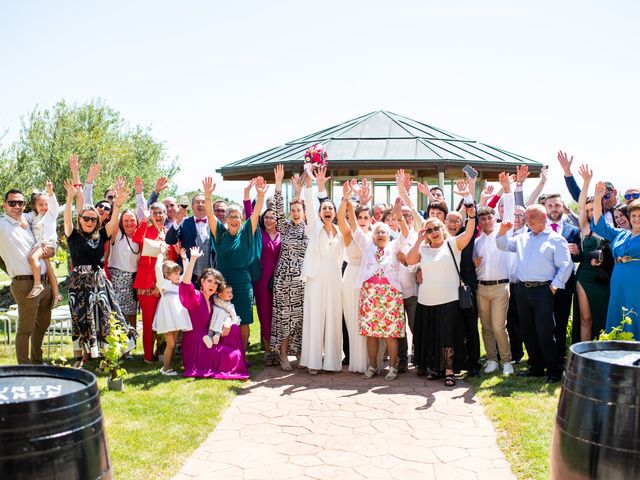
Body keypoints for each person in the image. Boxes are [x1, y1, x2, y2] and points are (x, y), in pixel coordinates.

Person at [63, 178, 136, 367]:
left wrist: (118, 204)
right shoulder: (73, 235)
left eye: (93, 218)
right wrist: (70, 198)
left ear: (97, 221)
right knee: (79, 319)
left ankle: (109, 355)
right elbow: (67, 218)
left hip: (99, 282)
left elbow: (113, 221)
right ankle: (80, 358)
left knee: (105, 316)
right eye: (85, 218)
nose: (89, 221)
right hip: (78, 284)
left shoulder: (102, 234)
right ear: (79, 219)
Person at [496, 205, 573, 383]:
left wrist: (554, 286)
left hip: (543, 290)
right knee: (527, 330)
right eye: (527, 217)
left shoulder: (556, 239)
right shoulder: (522, 238)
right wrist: (502, 231)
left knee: (545, 331)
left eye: (532, 217)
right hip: (522, 290)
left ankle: (554, 369)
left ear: (544, 218)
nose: (528, 220)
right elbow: (503, 245)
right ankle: (536, 366)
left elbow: (566, 265)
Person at [406, 206, 477, 387]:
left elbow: (469, 233)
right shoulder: (423, 248)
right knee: (431, 336)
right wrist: (418, 240)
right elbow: (410, 260)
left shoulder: (453, 244)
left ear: (443, 229)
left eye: (436, 228)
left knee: (448, 337)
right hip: (426, 300)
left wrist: (471, 216)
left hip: (449, 300)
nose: (433, 232)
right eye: (429, 230)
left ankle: (449, 371)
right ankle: (434, 368)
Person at [347, 192, 409, 381]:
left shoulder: (394, 246)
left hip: (390, 295)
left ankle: (393, 368)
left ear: (388, 235)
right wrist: (349, 205)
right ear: (373, 236)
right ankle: (373, 366)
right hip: (370, 294)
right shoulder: (366, 246)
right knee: (371, 333)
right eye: (378, 232)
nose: (381, 234)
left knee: (391, 334)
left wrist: (398, 214)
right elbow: (355, 227)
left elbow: (405, 233)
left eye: (384, 232)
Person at [204, 176, 265, 348]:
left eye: (237, 216)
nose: (233, 219)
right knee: (221, 316)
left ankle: (242, 355)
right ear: (226, 219)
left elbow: (255, 214)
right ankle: (223, 352)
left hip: (243, 282)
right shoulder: (221, 233)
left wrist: (259, 196)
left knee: (243, 318)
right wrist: (208, 196)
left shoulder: (246, 232)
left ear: (241, 219)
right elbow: (209, 214)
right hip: (223, 282)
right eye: (230, 216)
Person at [0, 189, 53, 364]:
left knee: (42, 326)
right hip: (25, 284)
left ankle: (37, 363)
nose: (16, 206)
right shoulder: (2, 225)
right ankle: (24, 368)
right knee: (26, 329)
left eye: (20, 203)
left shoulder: (28, 221)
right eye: (12, 203)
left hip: (44, 283)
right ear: (4, 205)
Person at [179, 247, 249, 379]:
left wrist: (228, 323)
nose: (212, 285)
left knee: (234, 332)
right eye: (209, 281)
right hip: (196, 345)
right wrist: (193, 259)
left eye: (216, 283)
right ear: (202, 282)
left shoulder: (212, 300)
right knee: (234, 357)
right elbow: (186, 283)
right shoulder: (196, 296)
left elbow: (227, 314)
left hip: (209, 338)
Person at [300, 167, 344, 374]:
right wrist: (313, 183)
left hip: (335, 277)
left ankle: (333, 361)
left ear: (334, 213)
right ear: (319, 213)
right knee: (316, 317)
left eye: (330, 208)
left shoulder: (340, 231)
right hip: (316, 277)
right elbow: (310, 204)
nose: (327, 210)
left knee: (334, 318)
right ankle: (314, 362)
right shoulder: (314, 227)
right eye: (324, 208)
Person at [270, 167, 308, 371]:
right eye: (292, 210)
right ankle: (283, 355)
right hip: (284, 279)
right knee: (284, 317)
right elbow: (276, 211)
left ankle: (302, 354)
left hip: (303, 279)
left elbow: (308, 205)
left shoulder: (309, 228)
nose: (294, 213)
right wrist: (278, 184)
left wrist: (299, 193)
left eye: (298, 210)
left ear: (303, 212)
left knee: (302, 318)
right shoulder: (284, 227)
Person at [591, 181, 640, 339]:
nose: (636, 219)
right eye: (633, 215)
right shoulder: (621, 234)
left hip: (637, 284)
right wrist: (598, 198)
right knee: (618, 314)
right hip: (618, 282)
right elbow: (599, 225)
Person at [244, 178, 282, 365]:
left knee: (278, 314)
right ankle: (268, 351)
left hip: (280, 280)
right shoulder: (258, 233)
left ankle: (279, 349)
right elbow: (250, 214)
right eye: (266, 217)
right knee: (265, 314)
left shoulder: (284, 235)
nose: (268, 220)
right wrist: (251, 194)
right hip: (262, 280)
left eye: (272, 217)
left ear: (277, 219)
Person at [473, 205, 514, 376]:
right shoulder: (477, 242)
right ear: (479, 223)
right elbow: (475, 266)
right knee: (486, 326)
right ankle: (491, 359)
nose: (486, 221)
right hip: (482, 287)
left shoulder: (503, 234)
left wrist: (507, 188)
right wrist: (474, 264)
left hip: (500, 287)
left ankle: (506, 361)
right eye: (482, 219)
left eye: (489, 218)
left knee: (498, 326)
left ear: (495, 218)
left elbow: (510, 212)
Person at [574, 165, 612, 341]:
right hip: (585, 276)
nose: (589, 213)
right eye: (588, 211)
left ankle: (602, 354)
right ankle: (584, 357)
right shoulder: (584, 228)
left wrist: (597, 197)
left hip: (603, 277)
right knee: (585, 319)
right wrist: (586, 182)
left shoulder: (607, 229)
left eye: (592, 210)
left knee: (603, 318)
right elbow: (580, 207)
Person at [133, 202, 174, 363]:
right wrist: (144, 219)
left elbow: (173, 259)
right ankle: (148, 356)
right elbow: (137, 239)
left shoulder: (169, 234)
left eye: (161, 213)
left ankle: (162, 351)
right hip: (147, 282)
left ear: (166, 215)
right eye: (155, 213)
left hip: (164, 284)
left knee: (164, 319)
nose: (158, 216)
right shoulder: (146, 230)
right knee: (149, 321)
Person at [337, 187, 371, 374]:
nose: (363, 220)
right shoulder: (349, 233)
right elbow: (341, 218)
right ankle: (355, 358)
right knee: (352, 319)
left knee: (366, 319)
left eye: (366, 217)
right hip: (351, 278)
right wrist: (346, 199)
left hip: (369, 280)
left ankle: (369, 359)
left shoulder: (375, 235)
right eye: (360, 217)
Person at [545, 193, 582, 361]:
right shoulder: (538, 229)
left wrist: (577, 252)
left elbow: (580, 257)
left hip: (565, 284)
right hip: (543, 284)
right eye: (550, 206)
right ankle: (543, 358)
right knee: (543, 322)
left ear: (562, 207)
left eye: (557, 206)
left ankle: (559, 358)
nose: (554, 209)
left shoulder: (573, 230)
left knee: (560, 323)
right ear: (545, 207)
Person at [153, 248, 193, 375]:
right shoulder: (163, 284)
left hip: (177, 318)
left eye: (178, 273)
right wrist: (160, 255)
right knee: (170, 344)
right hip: (167, 317)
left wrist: (184, 258)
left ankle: (168, 367)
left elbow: (186, 273)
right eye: (175, 274)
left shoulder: (180, 283)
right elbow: (158, 269)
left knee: (173, 343)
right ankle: (165, 369)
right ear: (167, 275)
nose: (178, 275)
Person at [23, 181, 62, 308]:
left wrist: (50, 191)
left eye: (46, 204)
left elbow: (54, 203)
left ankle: (37, 283)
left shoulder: (51, 214)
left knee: (32, 258)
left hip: (48, 244)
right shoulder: (34, 216)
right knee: (49, 269)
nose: (44, 207)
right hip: (40, 245)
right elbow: (21, 216)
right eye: (41, 205)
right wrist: (22, 221)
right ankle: (56, 295)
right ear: (34, 205)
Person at [166, 192, 215, 282]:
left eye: (203, 202)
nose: (200, 204)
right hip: (187, 274)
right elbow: (170, 240)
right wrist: (177, 221)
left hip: (209, 277)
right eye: (197, 202)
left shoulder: (214, 224)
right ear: (192, 206)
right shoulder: (184, 222)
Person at [108, 209, 140, 330]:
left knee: (132, 313)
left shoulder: (140, 235)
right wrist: (118, 203)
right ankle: (117, 345)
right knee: (116, 313)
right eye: (125, 220)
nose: (129, 223)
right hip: (117, 278)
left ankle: (131, 343)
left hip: (133, 280)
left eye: (132, 220)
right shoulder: (118, 234)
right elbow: (114, 217)